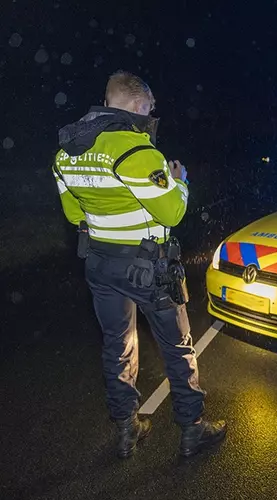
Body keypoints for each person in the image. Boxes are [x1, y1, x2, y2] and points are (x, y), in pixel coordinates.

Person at [52, 70, 227, 458]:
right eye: (148, 107)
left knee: (117, 345)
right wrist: (180, 181)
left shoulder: (67, 151)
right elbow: (172, 213)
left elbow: (73, 214)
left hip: (100, 265)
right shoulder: (138, 151)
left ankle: (127, 428)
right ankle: (192, 429)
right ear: (135, 104)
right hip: (150, 269)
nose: (151, 114)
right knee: (178, 346)